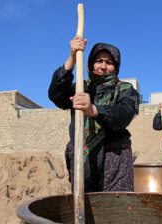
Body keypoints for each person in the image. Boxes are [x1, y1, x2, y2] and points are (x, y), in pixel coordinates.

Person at [48, 36, 139, 193]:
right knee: (85, 208)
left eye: (109, 62)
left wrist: (94, 110)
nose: (103, 66)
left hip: (115, 159)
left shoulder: (125, 89)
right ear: (90, 65)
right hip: (83, 157)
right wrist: (72, 57)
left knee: (115, 206)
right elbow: (56, 95)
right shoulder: (80, 88)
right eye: (99, 61)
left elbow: (125, 113)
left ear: (116, 67)